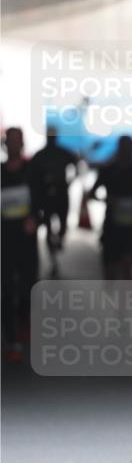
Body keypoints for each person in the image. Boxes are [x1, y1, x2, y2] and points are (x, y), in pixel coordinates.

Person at [88, 135, 132, 279]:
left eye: (128, 149)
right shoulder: (108, 170)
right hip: (111, 224)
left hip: (131, 224)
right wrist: (108, 200)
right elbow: (92, 193)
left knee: (128, 262)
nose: (126, 152)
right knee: (110, 264)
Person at [1, 128, 40, 360]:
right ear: (5, 144)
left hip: (26, 240)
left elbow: (44, 200)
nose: (14, 145)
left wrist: (35, 218)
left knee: (27, 285)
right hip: (4, 240)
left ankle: (25, 319)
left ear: (23, 143)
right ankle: (11, 338)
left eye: (17, 141)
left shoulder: (32, 171)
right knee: (6, 288)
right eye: (10, 141)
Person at [30, 126, 80, 274]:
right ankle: (53, 258)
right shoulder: (40, 155)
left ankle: (58, 242)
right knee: (48, 227)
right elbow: (32, 177)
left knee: (62, 224)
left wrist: (69, 182)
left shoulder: (62, 153)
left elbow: (77, 165)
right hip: (45, 197)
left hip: (61, 194)